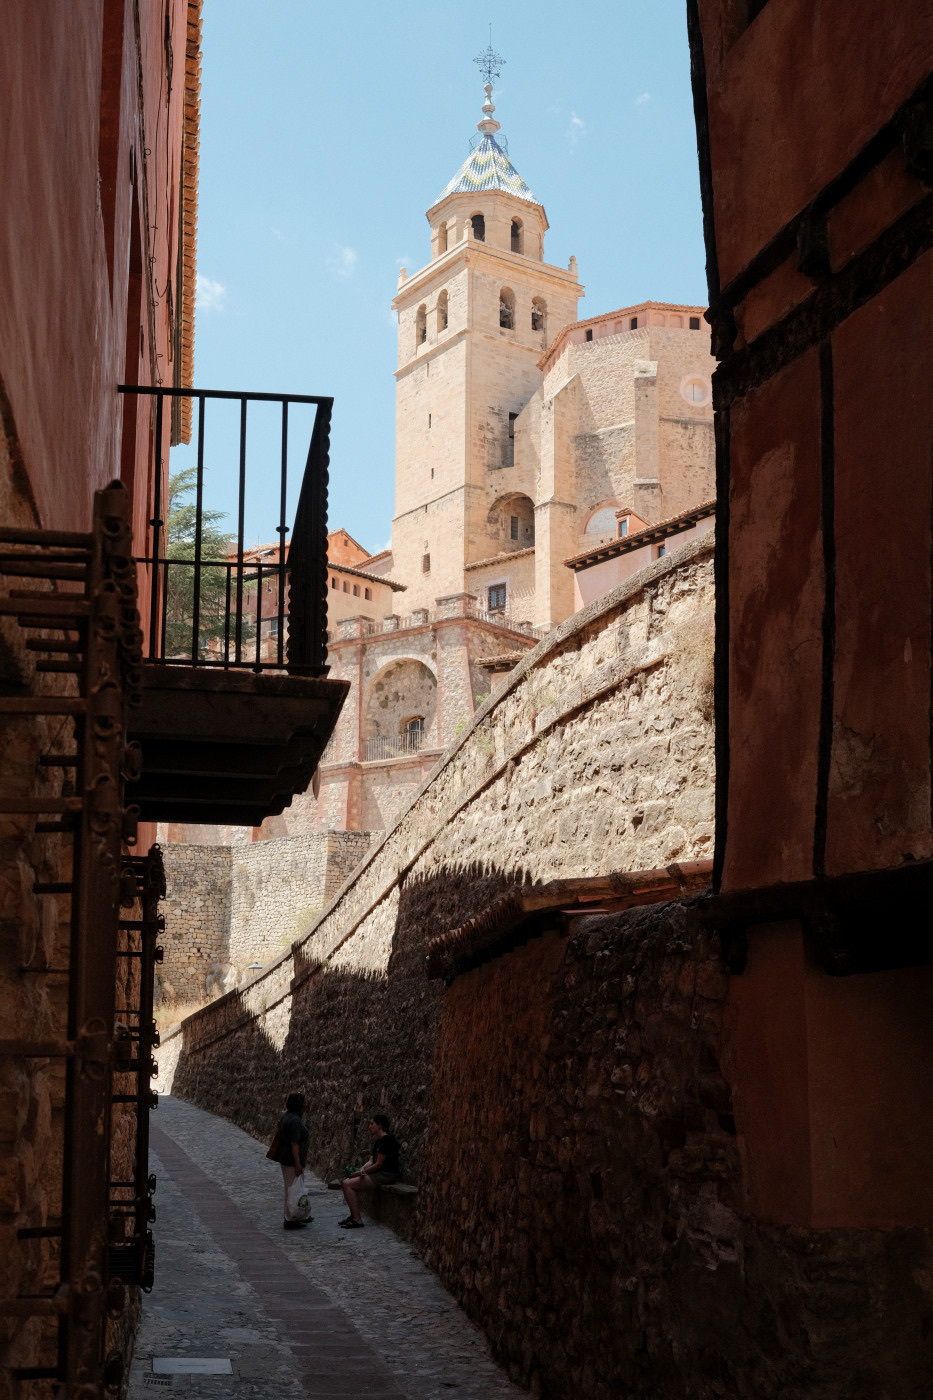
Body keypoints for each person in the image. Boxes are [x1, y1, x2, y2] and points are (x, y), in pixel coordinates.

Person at [338, 1114, 400, 1229]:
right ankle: (353, 1216)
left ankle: (357, 1219)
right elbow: (371, 1161)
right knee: (346, 1181)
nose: (369, 1126)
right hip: (378, 1172)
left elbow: (379, 1164)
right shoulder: (378, 1141)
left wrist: (362, 1173)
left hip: (386, 1174)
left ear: (380, 1125)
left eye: (372, 1123)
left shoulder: (387, 1140)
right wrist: (362, 1169)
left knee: (347, 1184)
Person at [276, 1091, 311, 1230]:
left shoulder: (287, 1116)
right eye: (304, 1102)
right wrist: (297, 1163)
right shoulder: (295, 1121)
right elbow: (294, 1144)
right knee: (292, 1190)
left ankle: (294, 1215)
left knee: (291, 1188)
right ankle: (291, 1218)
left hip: (285, 1158)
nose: (306, 1104)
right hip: (291, 1161)